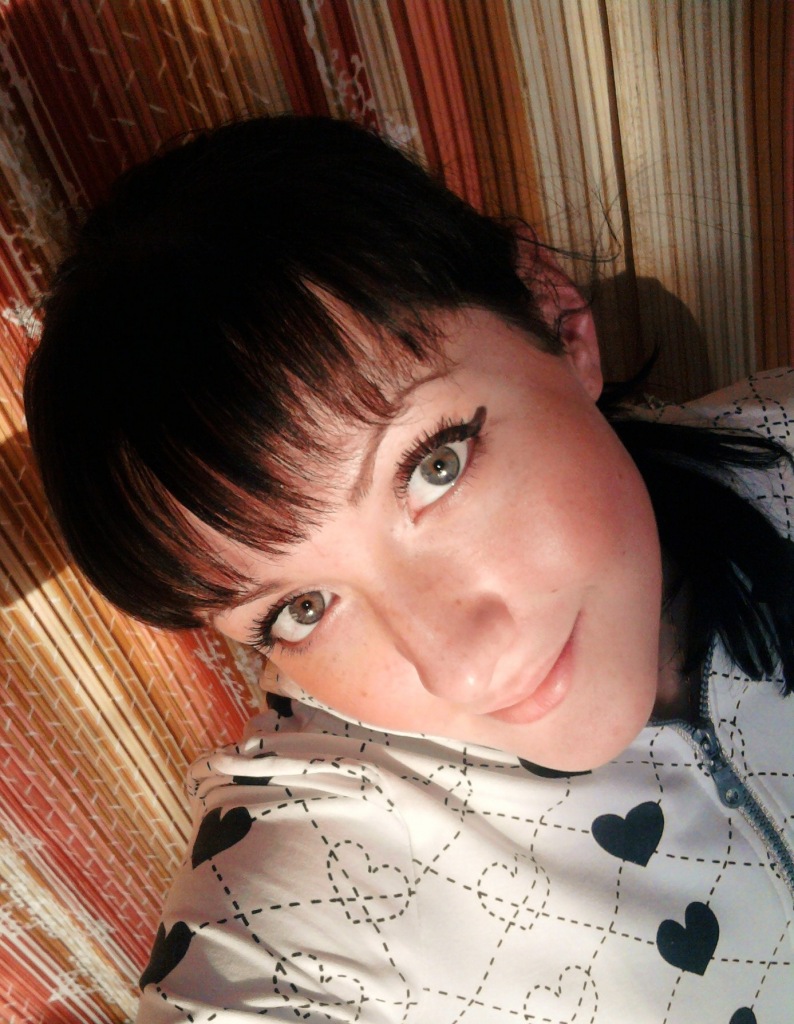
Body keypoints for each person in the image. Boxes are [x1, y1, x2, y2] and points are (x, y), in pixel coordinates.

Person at [24, 116, 794, 1023]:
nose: (463, 668)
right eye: (302, 608)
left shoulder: (779, 440)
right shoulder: (312, 908)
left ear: (555, 315)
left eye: (436, 465)